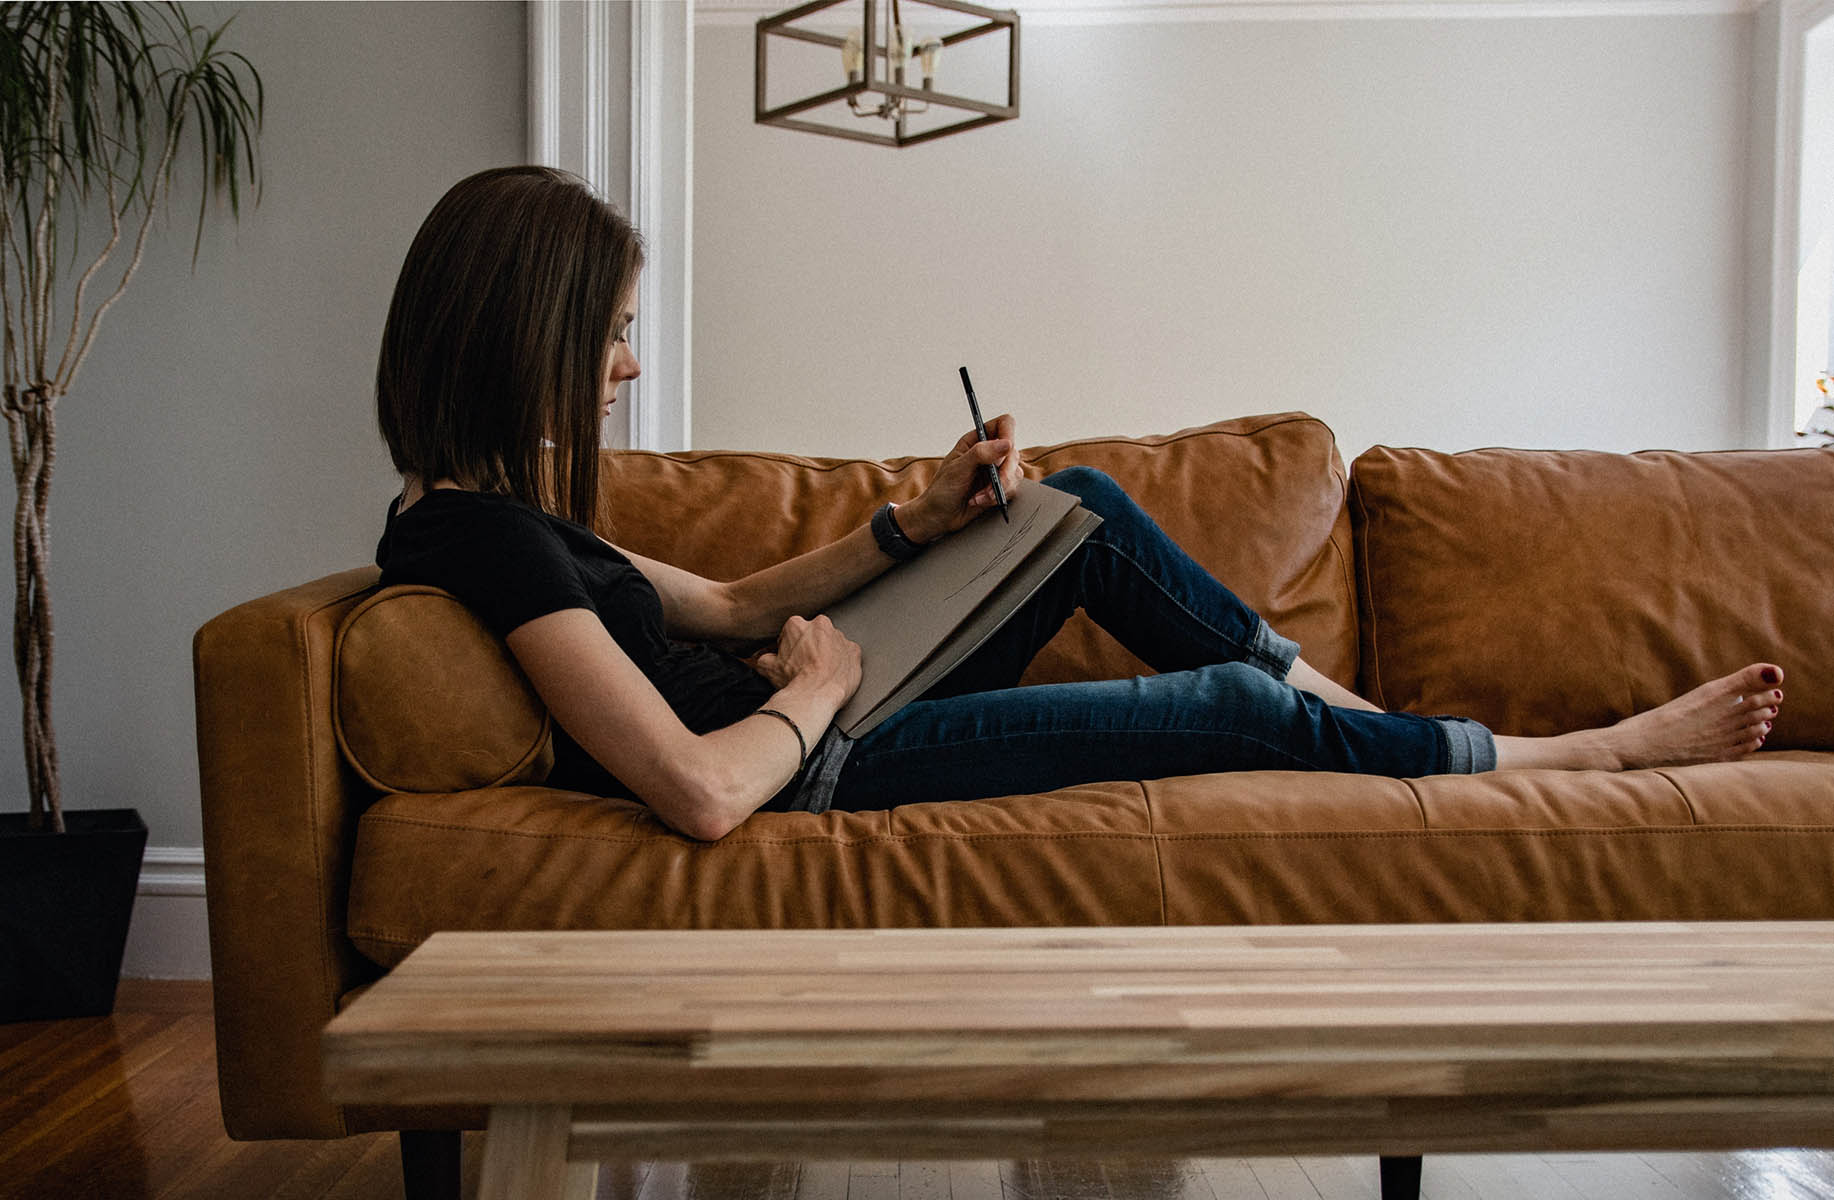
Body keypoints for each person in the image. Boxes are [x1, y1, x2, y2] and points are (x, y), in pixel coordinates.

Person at [374, 166, 1785, 842]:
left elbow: (732, 604)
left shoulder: (510, 515)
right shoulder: (472, 539)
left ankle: (1376, 731)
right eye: (610, 330)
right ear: (524, 327)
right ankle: (1557, 759)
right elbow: (691, 790)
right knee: (1227, 715)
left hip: (818, 710)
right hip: (810, 757)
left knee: (1078, 509)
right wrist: (811, 693)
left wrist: (917, 524)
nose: (626, 363)